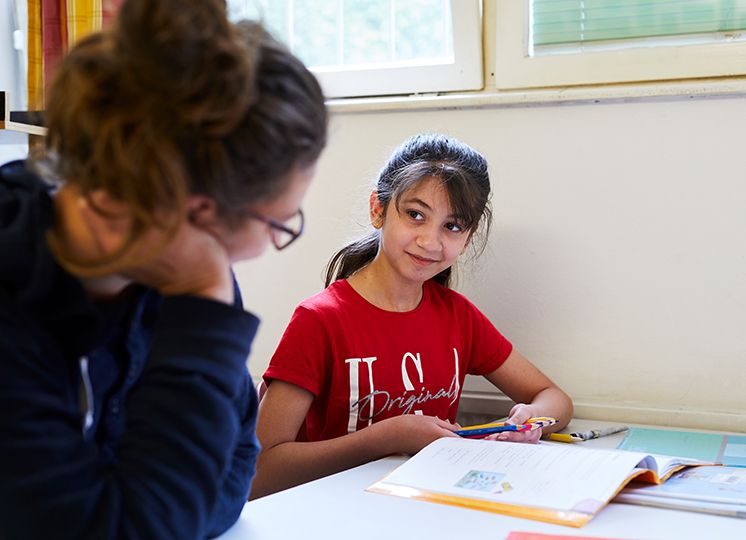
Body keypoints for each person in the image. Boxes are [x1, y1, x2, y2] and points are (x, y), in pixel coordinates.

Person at [0, 1, 326, 538]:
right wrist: (202, 304)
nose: (269, 243)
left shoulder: (179, 267)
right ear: (192, 214)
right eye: (276, 222)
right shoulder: (19, 298)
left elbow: (230, 480)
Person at [250, 133, 573, 499]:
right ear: (378, 209)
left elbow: (554, 398)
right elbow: (261, 472)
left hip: (424, 512)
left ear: (467, 238)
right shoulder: (319, 320)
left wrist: (530, 420)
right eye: (415, 215)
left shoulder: (457, 316)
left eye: (452, 226)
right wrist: (386, 437)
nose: (430, 242)